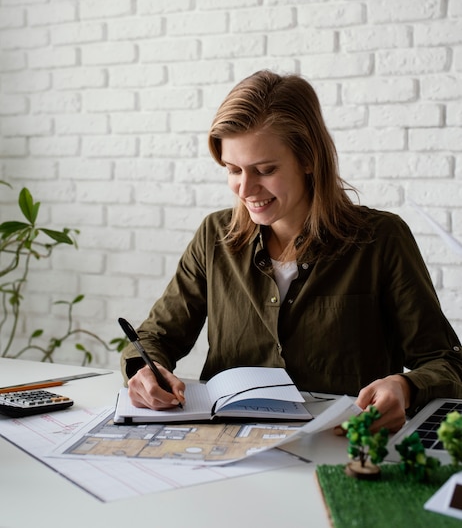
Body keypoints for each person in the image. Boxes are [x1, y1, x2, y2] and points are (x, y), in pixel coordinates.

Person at [121, 69, 462, 433]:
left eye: (265, 170)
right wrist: (146, 371)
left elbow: (446, 362)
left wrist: (405, 386)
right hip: (227, 445)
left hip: (340, 446)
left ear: (309, 159)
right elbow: (154, 337)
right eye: (233, 169)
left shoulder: (382, 240)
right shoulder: (214, 236)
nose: (245, 188)